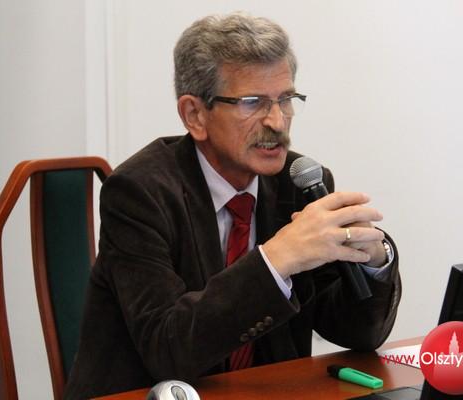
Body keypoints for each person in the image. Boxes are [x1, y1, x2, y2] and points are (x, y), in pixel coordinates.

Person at [64, 12, 401, 399]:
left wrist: (374, 263)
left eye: (286, 100)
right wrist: (276, 259)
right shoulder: (139, 193)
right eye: (252, 102)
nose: (277, 122)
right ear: (195, 115)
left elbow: (358, 334)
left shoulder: (300, 183)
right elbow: (167, 348)